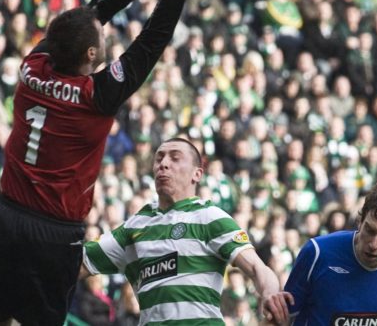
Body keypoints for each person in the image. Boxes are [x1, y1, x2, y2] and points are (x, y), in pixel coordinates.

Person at [0, 0, 205, 325]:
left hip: (8, 213)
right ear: (92, 55)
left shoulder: (33, 65)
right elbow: (151, 41)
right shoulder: (94, 97)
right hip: (54, 229)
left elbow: (88, 14)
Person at [81, 138, 290, 325]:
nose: (163, 164)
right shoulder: (135, 227)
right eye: (159, 158)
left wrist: (270, 293)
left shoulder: (210, 217)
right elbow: (76, 264)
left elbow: (257, 267)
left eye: (175, 158)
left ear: (196, 174)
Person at [269, 182, 377, 325]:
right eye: (369, 230)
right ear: (360, 222)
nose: (373, 244)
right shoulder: (318, 253)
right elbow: (279, 318)